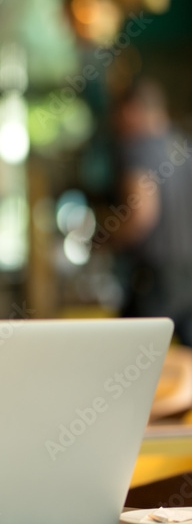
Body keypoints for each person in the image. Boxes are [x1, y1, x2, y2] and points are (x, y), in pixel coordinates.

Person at [111, 79, 192, 346]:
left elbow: (141, 215)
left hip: (156, 280)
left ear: (131, 111)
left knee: (128, 357)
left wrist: (106, 239)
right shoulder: (183, 146)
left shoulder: (139, 150)